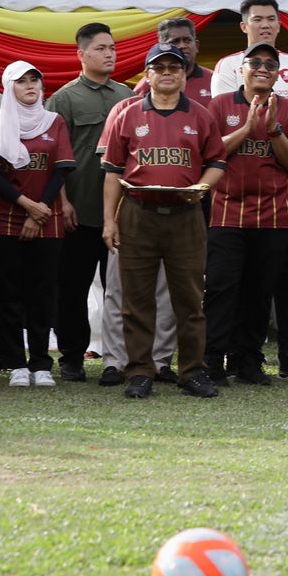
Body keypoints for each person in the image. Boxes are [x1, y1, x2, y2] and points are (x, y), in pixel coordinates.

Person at [101, 42, 226, 400]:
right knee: (136, 300)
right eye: (160, 67)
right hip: (139, 213)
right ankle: (140, 371)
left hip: (186, 215)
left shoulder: (201, 115)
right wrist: (110, 220)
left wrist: (203, 186)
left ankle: (192, 371)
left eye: (175, 66)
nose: (168, 72)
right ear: (148, 74)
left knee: (189, 299)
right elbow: (111, 172)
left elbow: (217, 161)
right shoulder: (127, 114)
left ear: (185, 74)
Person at [211, 0, 288, 375]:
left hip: (274, 210)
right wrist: (248, 130)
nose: (262, 68)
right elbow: (212, 152)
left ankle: (249, 359)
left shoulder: (286, 106)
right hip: (225, 207)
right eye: (254, 63)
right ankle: (213, 358)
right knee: (222, 287)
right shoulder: (221, 103)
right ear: (241, 67)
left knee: (262, 289)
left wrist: (272, 131)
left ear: (279, 72)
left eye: (270, 65)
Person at [46, 22, 134, 381]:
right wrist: (63, 202)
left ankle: (121, 355)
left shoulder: (127, 95)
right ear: (81, 54)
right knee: (73, 286)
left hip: (120, 211)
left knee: (122, 289)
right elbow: (54, 156)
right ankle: (71, 355)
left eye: (112, 47)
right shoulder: (64, 98)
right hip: (79, 209)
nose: (109, 54)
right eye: (100, 48)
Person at [0, 62, 75, 388]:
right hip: (3, 218)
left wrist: (40, 210)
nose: (30, 86)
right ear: (10, 87)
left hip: (48, 217)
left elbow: (60, 170)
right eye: (22, 82)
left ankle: (41, 363)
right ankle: (15, 362)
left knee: (43, 291)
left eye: (35, 79)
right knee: (7, 292)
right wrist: (28, 206)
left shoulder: (54, 122)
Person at [133, 18, 214, 106]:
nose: (182, 46)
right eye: (175, 42)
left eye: (187, 40)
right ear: (162, 47)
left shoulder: (214, 79)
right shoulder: (147, 83)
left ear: (197, 46)